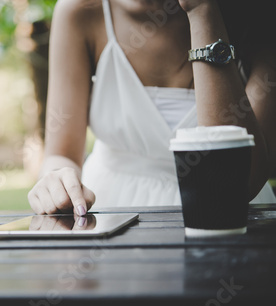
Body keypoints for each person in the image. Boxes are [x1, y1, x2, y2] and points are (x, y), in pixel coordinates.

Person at [28, 0, 276, 215]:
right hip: (109, 214)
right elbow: (61, 154)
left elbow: (238, 183)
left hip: (229, 225)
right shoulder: (81, 11)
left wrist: (202, 11)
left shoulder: (258, 18)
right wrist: (57, 180)